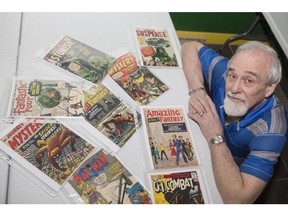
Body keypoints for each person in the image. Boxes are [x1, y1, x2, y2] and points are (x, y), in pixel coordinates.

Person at [181, 40, 288, 204]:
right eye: (233, 76)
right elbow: (190, 46)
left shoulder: (273, 129)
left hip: (227, 167)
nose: (234, 88)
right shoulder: (225, 74)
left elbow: (238, 200)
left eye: (249, 81)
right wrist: (197, 90)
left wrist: (215, 136)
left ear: (269, 88)